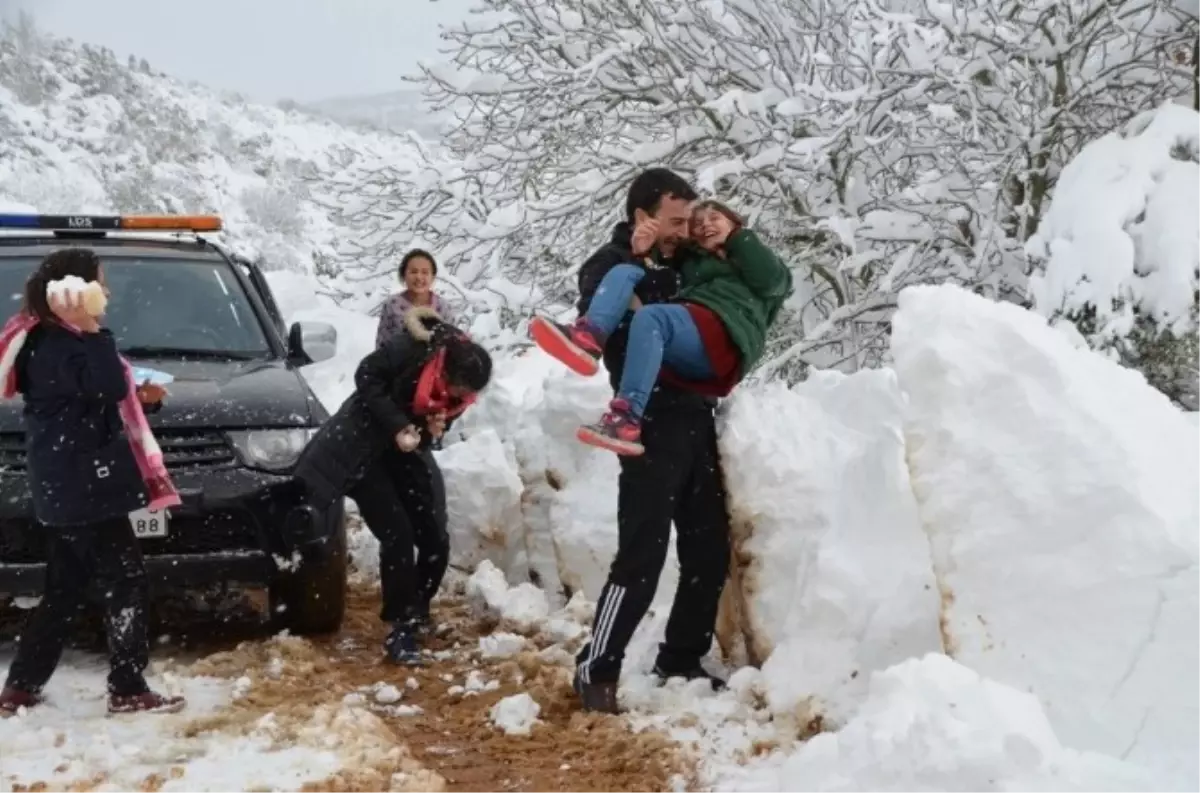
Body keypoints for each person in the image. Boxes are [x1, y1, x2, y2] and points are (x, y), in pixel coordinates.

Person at [534, 168, 736, 713]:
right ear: (642, 216)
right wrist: (639, 260)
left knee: (708, 551)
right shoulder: (609, 266)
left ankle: (680, 658)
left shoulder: (686, 262)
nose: (684, 229)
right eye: (675, 220)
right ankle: (596, 667)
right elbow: (597, 310)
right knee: (640, 557)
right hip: (643, 426)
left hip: (697, 418)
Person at [0, 248, 185, 717]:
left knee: (64, 587)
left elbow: (95, 399)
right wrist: (92, 329)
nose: (108, 292)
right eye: (100, 282)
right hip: (83, 487)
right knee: (127, 581)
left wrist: (142, 397)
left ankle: (21, 684)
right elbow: (103, 386)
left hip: (69, 483)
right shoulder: (57, 341)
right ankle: (127, 685)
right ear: (76, 290)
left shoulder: (48, 340)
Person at [294, 306, 491, 665]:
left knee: (433, 533)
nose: (457, 397)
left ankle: (418, 607)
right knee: (397, 531)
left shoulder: (459, 393)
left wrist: (431, 430)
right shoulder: (413, 349)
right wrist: (399, 424)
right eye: (456, 387)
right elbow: (366, 375)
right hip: (362, 447)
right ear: (445, 367)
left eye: (465, 395)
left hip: (403, 451)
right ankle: (400, 628)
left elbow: (435, 421)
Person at [532, 200, 792, 455]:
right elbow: (657, 276)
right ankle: (589, 337)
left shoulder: (758, 262)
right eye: (698, 223)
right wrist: (642, 252)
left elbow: (771, 281)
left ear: (734, 222)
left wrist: (739, 238)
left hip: (728, 338)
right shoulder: (692, 265)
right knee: (624, 272)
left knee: (652, 318)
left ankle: (627, 415)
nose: (705, 225)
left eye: (715, 218)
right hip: (694, 340)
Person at [376, 249, 458, 348]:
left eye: (425, 272)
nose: (419, 277)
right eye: (413, 272)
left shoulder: (445, 308)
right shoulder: (392, 305)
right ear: (404, 275)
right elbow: (382, 345)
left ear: (432, 277)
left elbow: (453, 347)